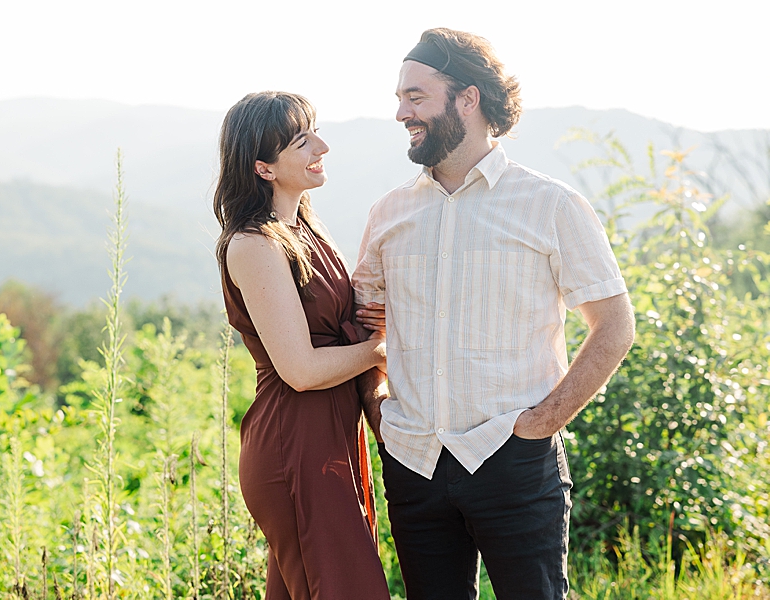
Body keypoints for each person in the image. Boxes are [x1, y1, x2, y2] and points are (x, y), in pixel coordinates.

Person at [352, 28, 637, 599]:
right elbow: (364, 325)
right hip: (414, 462)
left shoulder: (551, 205)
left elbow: (614, 326)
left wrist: (541, 423)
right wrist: (377, 406)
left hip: (514, 458)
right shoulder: (389, 213)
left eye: (415, 96)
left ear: (468, 98)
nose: (402, 112)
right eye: (400, 98)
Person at [214, 91, 391, 600]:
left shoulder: (307, 231)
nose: (323, 146)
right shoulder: (253, 245)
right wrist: (383, 347)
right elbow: (301, 370)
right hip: (294, 444)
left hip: (331, 439)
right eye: (302, 141)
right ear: (264, 168)